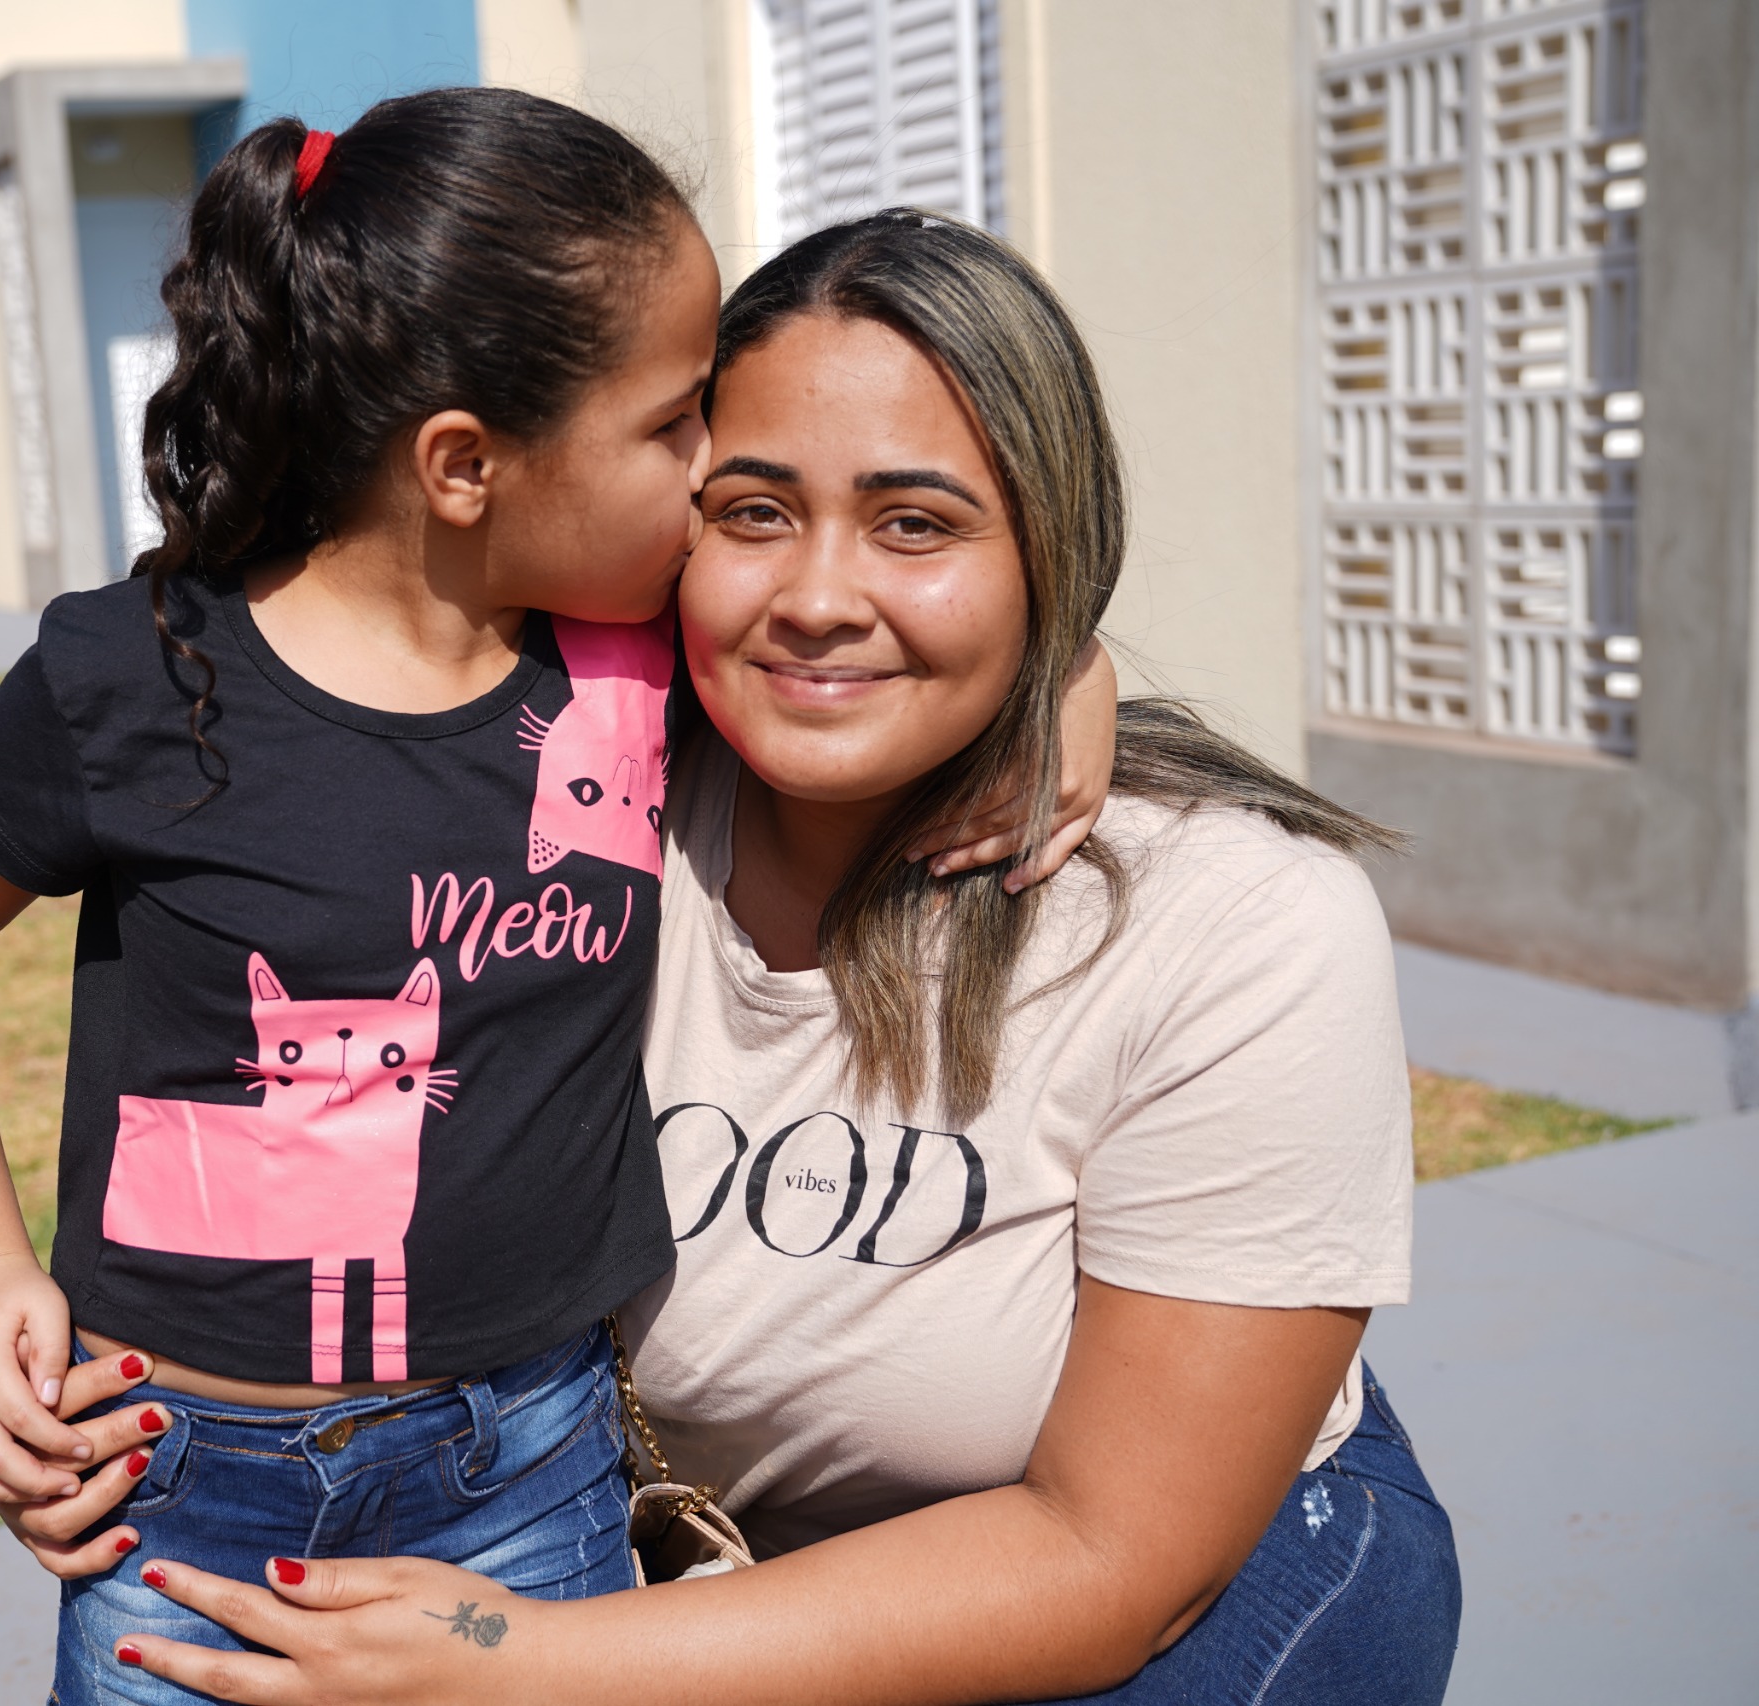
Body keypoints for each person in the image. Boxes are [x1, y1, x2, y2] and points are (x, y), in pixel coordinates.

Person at [0, 99, 1117, 1706]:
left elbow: (873, 654)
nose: (715, 466)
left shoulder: (636, 670)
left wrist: (1065, 677)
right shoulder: (137, 679)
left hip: (532, 1480)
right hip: (174, 1498)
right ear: (463, 466)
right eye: (672, 425)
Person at [112, 211, 1463, 1704]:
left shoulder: (1234, 924)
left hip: (1165, 1601)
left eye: (919, 523)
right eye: (753, 510)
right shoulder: (566, 790)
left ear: (1054, 551)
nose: (817, 595)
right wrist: (81, 1381)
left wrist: (513, 1655)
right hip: (680, 1581)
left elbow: (1113, 1559)